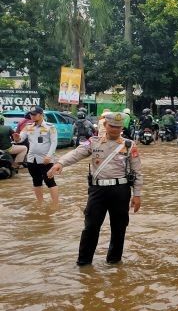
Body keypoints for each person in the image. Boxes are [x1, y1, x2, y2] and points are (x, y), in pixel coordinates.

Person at [47, 111, 142, 267]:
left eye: (118, 127)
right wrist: (60, 163)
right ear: (105, 125)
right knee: (90, 227)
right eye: (112, 126)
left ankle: (114, 261)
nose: (115, 130)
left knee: (119, 228)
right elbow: (76, 154)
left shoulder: (129, 145)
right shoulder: (93, 142)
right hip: (97, 191)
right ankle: (84, 263)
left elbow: (137, 171)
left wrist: (137, 195)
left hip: (121, 191)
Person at [17, 106, 59, 203]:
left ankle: (55, 205)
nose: (32, 116)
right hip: (32, 159)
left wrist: (49, 156)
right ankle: (40, 203)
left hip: (45, 159)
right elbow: (21, 139)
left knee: (50, 182)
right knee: (36, 181)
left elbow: (54, 142)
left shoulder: (50, 127)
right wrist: (17, 138)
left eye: (34, 114)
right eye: (31, 114)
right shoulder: (28, 127)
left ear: (41, 114)